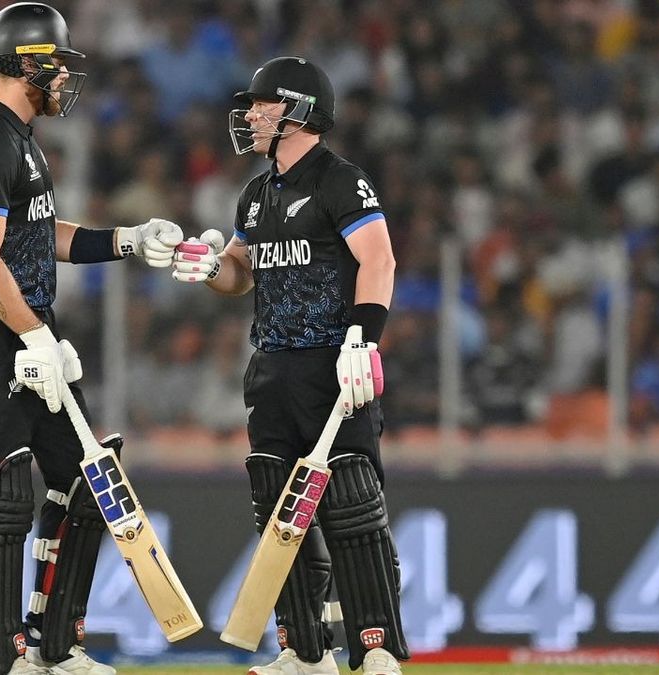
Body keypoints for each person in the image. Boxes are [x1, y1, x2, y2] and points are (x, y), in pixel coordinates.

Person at [0, 4, 183, 675]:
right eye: (56, 65)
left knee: (84, 483)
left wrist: (127, 241)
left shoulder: (20, 139)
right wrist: (33, 335)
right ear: (27, 64)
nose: (64, 79)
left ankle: (54, 645)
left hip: (27, 334)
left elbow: (40, 236)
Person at [170, 56, 409, 675]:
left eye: (262, 104)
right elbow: (240, 273)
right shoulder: (256, 194)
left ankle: (376, 647)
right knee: (279, 511)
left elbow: (378, 259)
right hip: (272, 367)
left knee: (353, 506)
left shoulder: (340, 180)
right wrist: (209, 267)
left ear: (299, 111)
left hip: (334, 365)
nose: (250, 115)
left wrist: (363, 341)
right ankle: (304, 651)